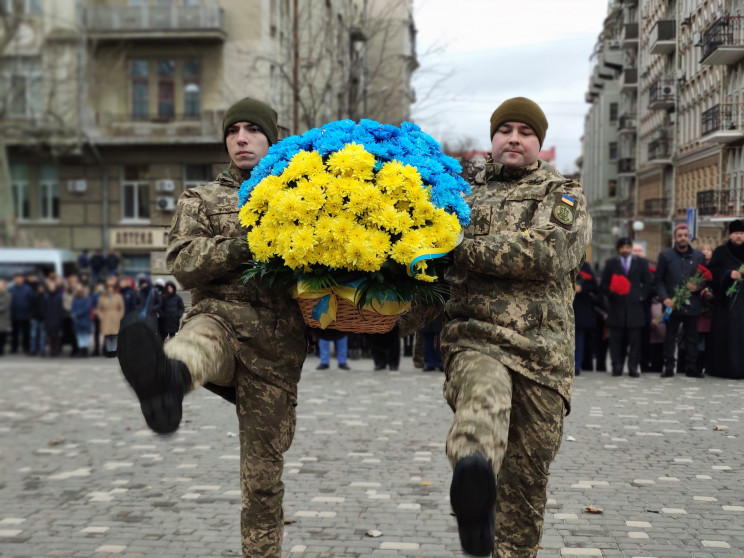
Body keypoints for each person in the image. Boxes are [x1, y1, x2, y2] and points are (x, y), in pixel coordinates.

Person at [116, 97, 307, 557]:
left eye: (253, 130)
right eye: (233, 130)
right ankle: (166, 379)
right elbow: (182, 262)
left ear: (271, 137)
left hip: (276, 353)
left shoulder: (304, 194)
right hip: (220, 317)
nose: (242, 138)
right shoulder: (201, 199)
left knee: (263, 478)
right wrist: (248, 244)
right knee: (197, 344)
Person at [436, 97, 591, 556]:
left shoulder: (563, 194)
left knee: (525, 494)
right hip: (476, 337)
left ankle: (491, 529)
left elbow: (546, 253)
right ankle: (473, 473)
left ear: (538, 144)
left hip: (544, 358)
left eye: (526, 132)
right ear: (493, 138)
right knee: (483, 400)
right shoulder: (458, 191)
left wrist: (456, 244)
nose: (515, 138)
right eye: (506, 130)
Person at [654, 224, 707, 378]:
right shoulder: (665, 256)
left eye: (685, 235)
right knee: (670, 337)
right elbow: (659, 280)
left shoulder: (698, 256)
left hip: (692, 304)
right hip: (672, 304)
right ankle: (669, 367)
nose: (683, 238)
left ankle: (691, 368)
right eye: (679, 235)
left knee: (692, 337)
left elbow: (705, 278)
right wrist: (665, 298)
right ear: (675, 237)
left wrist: (697, 286)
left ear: (689, 237)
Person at [600, 237, 652, 377]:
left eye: (628, 247)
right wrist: (612, 292)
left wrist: (641, 296)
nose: (625, 250)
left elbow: (648, 282)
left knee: (635, 341)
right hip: (616, 307)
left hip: (635, 308)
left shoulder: (640, 262)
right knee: (616, 340)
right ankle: (617, 365)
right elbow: (603, 284)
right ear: (618, 249)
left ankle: (633, 366)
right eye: (623, 247)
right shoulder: (611, 263)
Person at [707, 219, 744, 379]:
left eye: (742, 234)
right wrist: (728, 274)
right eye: (736, 233)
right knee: (727, 334)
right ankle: (724, 369)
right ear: (730, 235)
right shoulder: (721, 252)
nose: (739, 236)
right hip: (726, 302)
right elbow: (712, 273)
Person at [573, 261, 598, 376]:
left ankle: (576, 365)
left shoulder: (584, 265)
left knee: (578, 338)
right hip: (562, 306)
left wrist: (581, 288)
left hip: (579, 309)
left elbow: (593, 285)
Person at [97, 278, 125, 357]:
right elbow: (99, 309)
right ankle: (109, 350)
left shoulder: (118, 296)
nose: (110, 289)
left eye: (111, 287)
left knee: (114, 335)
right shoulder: (102, 297)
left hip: (115, 317)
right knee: (108, 335)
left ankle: (114, 350)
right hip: (106, 318)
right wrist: (101, 316)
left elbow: (121, 308)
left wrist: (119, 316)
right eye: (108, 287)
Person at [8, 273, 33, 354]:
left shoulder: (28, 289)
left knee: (26, 333)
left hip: (25, 315)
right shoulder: (11, 289)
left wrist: (30, 312)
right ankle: (14, 348)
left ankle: (26, 348)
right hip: (14, 315)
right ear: (14, 279)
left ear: (23, 279)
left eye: (20, 278)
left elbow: (31, 301)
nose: (18, 280)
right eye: (16, 278)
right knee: (14, 333)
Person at [71, 284, 94, 357]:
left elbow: (85, 309)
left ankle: (85, 350)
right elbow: (72, 308)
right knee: (79, 336)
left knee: (85, 335)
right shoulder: (75, 299)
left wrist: (76, 314)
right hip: (77, 320)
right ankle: (82, 350)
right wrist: (74, 315)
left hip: (85, 319)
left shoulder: (88, 299)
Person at [0, 279, 10, 355]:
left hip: (3, 319)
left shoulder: (8, 295)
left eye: (1, 284)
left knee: (2, 335)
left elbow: (5, 306)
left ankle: (1, 350)